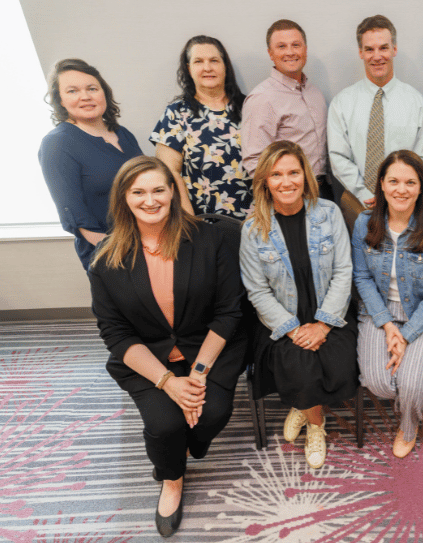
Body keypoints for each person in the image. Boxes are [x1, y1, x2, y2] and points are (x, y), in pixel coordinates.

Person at [88, 156, 247, 537]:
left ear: (173, 192)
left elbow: (229, 311)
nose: (150, 200)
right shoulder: (105, 260)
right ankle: (171, 477)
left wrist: (197, 375)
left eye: (159, 189)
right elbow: (116, 334)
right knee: (163, 426)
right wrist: (167, 382)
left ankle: (191, 446)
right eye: (138, 192)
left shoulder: (210, 238)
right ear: (124, 198)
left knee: (211, 416)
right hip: (148, 359)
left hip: (207, 350)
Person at [240, 141, 358, 469]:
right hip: (280, 320)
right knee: (301, 364)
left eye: (294, 172)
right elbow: (257, 292)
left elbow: (343, 272)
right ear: (265, 181)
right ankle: (316, 425)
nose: (286, 181)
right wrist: (293, 330)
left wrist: (322, 324)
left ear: (305, 177)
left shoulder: (329, 214)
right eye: (276, 174)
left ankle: (303, 406)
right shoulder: (252, 230)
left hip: (330, 313)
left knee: (335, 360)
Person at [352, 150, 423, 458]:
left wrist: (406, 335)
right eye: (393, 181)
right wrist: (387, 326)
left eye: (410, 182)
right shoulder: (364, 224)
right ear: (382, 185)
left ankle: (408, 426)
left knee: (410, 383)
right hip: (379, 312)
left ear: (421, 187)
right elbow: (362, 279)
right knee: (379, 384)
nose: (401, 189)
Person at [328, 15, 423, 229]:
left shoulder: (416, 102)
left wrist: (396, 193)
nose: (377, 56)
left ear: (394, 49)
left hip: (406, 206)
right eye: (369, 49)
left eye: (383, 48)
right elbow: (338, 157)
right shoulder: (342, 103)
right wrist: (365, 193)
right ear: (361, 53)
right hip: (358, 205)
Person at [39, 58, 143, 270]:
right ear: (59, 100)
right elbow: (76, 218)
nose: (85, 96)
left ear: (104, 92)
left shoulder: (123, 134)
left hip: (149, 245)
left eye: (92, 88)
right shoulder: (58, 143)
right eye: (72, 91)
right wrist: (122, 255)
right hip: (112, 255)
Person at [150, 35, 252, 219]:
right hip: (202, 224)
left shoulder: (251, 108)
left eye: (214, 60)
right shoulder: (176, 114)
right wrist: (191, 223)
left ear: (225, 66)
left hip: (255, 222)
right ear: (189, 68)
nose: (207, 68)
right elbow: (169, 173)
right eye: (198, 61)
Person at [241, 19, 333, 200]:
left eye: (296, 45)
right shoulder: (262, 98)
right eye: (281, 46)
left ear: (305, 49)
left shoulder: (315, 93)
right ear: (270, 53)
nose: (290, 52)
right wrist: (280, 198)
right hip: (289, 194)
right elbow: (254, 162)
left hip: (323, 190)